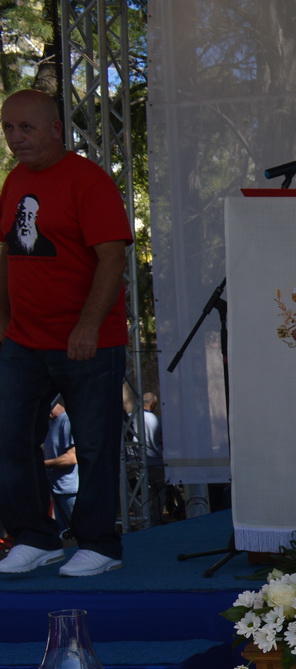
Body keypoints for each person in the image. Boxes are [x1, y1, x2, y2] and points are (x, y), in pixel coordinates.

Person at [0, 88, 132, 577]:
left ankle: (99, 543)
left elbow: (112, 258)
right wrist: (2, 319)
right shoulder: (14, 181)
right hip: (24, 340)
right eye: (8, 128)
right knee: (10, 438)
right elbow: (7, 254)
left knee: (95, 446)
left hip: (86, 341)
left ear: (56, 129)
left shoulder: (88, 180)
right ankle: (36, 537)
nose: (16, 138)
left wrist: (88, 325)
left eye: (26, 127)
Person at [42, 400, 78, 535]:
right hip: (57, 489)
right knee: (64, 534)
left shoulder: (67, 420)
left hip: (70, 490)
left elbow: (71, 458)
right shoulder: (50, 423)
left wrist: (42, 464)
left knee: (79, 531)